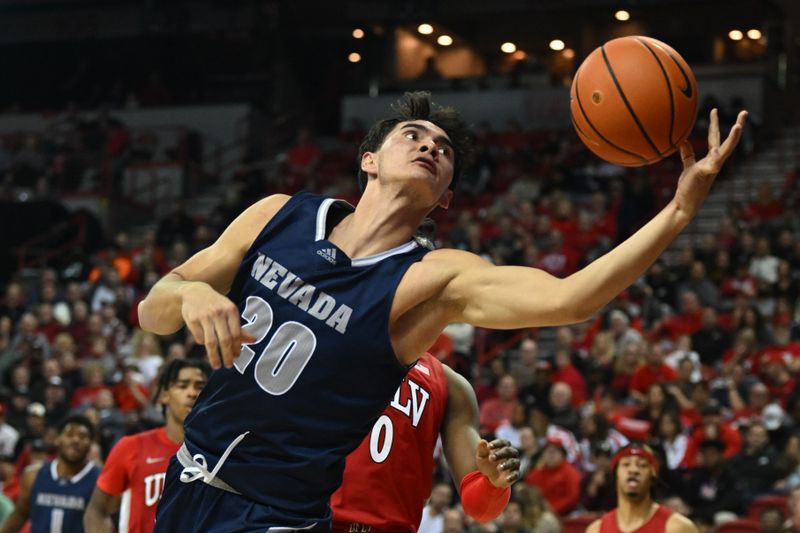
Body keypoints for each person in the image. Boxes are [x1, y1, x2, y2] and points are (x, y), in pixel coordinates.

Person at [137, 91, 746, 531]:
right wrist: (189, 291)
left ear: (446, 195)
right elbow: (152, 312)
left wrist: (679, 213)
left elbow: (571, 299)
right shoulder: (278, 214)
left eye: (444, 149)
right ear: (368, 160)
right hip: (188, 484)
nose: (430, 145)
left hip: (276, 515)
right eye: (414, 136)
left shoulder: (436, 280)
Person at [330, 352, 520, 532]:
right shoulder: (331, 344)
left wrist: (493, 485)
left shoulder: (450, 384)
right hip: (317, 521)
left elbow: (481, 509)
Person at [83, 359, 210, 533]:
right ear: (164, 395)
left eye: (200, 387)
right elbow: (96, 511)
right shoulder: (132, 446)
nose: (192, 393)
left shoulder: (220, 454)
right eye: (182, 385)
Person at [0, 415, 99, 533]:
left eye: (82, 436)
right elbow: (20, 514)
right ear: (57, 439)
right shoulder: (33, 475)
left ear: (91, 444)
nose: (75, 440)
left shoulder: (99, 479)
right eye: (70, 435)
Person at [587, 443, 698, 533]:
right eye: (626, 464)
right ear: (616, 475)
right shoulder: (596, 530)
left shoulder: (677, 527)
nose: (633, 470)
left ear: (653, 476)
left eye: (642, 465)